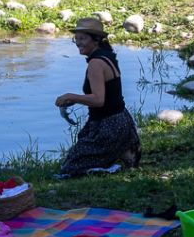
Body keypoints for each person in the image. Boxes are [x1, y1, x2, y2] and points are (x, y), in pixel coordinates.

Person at [55, 18, 141, 177]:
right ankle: (122, 152)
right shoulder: (107, 56)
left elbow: (98, 100)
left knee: (69, 169)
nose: (78, 43)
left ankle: (112, 167)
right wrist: (75, 99)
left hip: (109, 126)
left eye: (83, 38)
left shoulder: (95, 63)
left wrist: (70, 96)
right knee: (77, 152)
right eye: (76, 38)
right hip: (121, 122)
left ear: (95, 40)